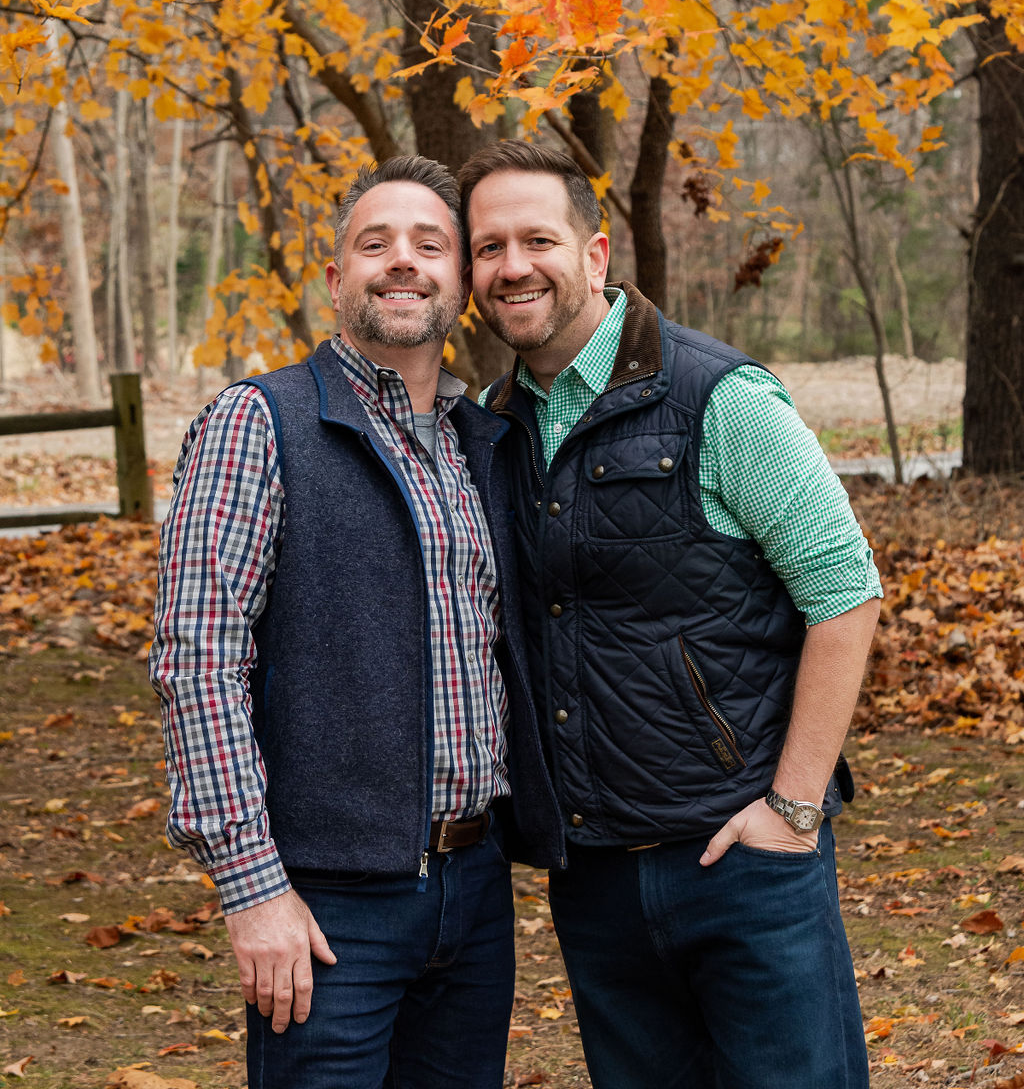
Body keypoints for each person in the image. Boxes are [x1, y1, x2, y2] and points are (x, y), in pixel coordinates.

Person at [459, 139, 882, 1089]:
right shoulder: (492, 427)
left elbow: (844, 591)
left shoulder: (720, 398)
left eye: (538, 239)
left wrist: (793, 809)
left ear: (596, 254)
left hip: (743, 862)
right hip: (595, 877)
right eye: (489, 248)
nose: (513, 266)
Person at [150, 155, 562, 1089]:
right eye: (374, 244)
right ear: (338, 279)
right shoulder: (260, 421)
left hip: (475, 892)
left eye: (429, 245)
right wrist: (253, 890)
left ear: (460, 281)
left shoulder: (482, 442)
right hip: (329, 906)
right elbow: (197, 661)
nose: (402, 262)